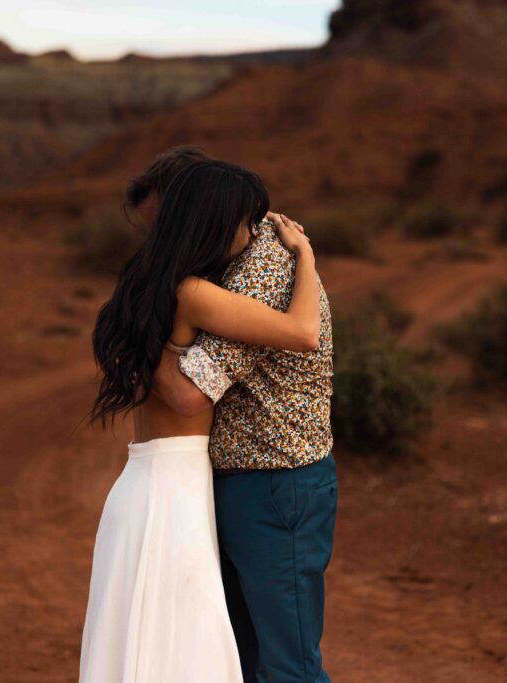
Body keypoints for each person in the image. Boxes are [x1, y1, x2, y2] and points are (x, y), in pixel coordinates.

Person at [79, 153, 319, 683]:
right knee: (189, 640)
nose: (246, 233)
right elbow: (303, 333)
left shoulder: (144, 284)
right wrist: (305, 257)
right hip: (176, 485)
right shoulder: (194, 291)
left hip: (142, 480)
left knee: (142, 636)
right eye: (238, 221)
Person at [153, 171, 336, 680]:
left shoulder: (260, 275)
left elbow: (189, 393)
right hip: (259, 482)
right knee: (245, 658)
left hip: (276, 485)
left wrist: (149, 349)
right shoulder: (239, 269)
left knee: (287, 664)